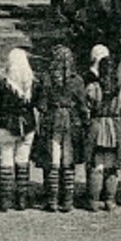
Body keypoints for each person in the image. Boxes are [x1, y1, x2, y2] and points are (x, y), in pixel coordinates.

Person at [33, 45, 86, 213]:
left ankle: (52, 200)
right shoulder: (77, 80)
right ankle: (68, 200)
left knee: (53, 159)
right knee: (68, 159)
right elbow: (83, 105)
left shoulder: (46, 78)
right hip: (71, 120)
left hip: (52, 119)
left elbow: (41, 105)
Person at [0, 47, 39, 211]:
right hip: (27, 125)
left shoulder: (1, 82)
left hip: (6, 124)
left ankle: (5, 198)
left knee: (6, 159)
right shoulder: (32, 82)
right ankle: (21, 198)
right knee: (23, 160)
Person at [83, 48, 121, 211]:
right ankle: (110, 199)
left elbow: (87, 110)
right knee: (112, 166)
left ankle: (94, 200)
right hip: (115, 127)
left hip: (98, 127)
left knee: (97, 165)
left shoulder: (93, 88)